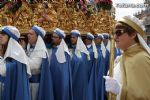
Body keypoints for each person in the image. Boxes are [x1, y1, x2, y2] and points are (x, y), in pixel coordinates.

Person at [104, 15, 150, 100]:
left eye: (119, 32)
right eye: (114, 32)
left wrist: (119, 90)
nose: (115, 37)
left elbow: (145, 96)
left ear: (133, 34)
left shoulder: (142, 58)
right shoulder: (122, 57)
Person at [0, 26, 31, 100]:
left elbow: (3, 71)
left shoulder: (17, 54)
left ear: (11, 38)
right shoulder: (9, 51)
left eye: (3, 34)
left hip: (14, 90)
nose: (0, 36)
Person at [26, 25, 54, 100]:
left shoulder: (41, 50)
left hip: (35, 85)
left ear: (38, 37)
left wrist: (21, 53)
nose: (28, 35)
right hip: (27, 83)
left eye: (31, 34)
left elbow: (33, 65)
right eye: (28, 33)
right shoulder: (30, 47)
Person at [49, 28, 72, 100]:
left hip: (61, 81)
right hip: (52, 78)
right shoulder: (52, 49)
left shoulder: (65, 52)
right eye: (52, 37)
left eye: (55, 37)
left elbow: (64, 71)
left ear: (60, 39)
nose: (53, 38)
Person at [70, 30, 90, 100]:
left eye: (74, 37)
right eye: (71, 37)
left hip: (80, 80)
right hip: (73, 78)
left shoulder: (83, 53)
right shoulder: (72, 50)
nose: (71, 39)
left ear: (78, 39)